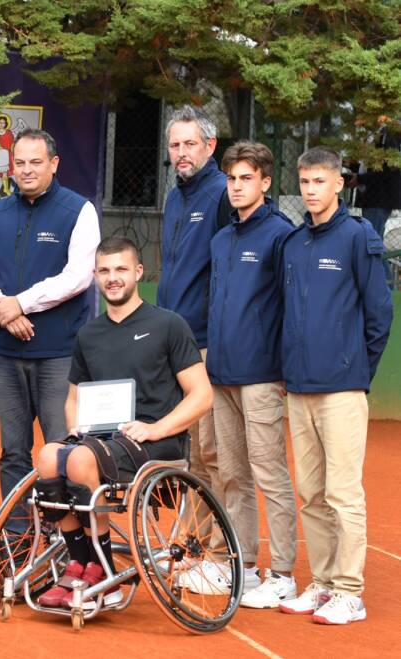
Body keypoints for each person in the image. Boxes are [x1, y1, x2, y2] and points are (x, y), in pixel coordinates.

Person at [35, 236, 212, 609]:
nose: (112, 277)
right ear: (95, 276)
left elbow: (202, 395)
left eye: (120, 269)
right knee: (49, 455)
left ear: (138, 273)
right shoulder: (89, 333)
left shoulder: (169, 325)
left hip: (155, 442)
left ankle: (103, 573)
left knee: (81, 460)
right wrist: (73, 430)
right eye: (104, 271)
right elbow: (74, 398)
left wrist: (155, 428)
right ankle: (79, 562)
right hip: (99, 441)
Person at [277, 147, 392, 625]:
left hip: (342, 389)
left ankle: (350, 591)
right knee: (310, 493)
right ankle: (323, 585)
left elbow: (379, 313)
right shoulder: (294, 242)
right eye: (304, 182)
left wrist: (355, 371)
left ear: (338, 184)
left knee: (343, 493)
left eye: (319, 181)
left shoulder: (357, 237)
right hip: (298, 388)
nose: (310, 190)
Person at [0, 128, 99, 519]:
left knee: (62, 451)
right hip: (8, 355)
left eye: (36, 162)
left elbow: (79, 275)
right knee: (13, 452)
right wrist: (5, 313)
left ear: (54, 164)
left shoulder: (79, 211)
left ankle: (65, 540)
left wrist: (20, 303)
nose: (27, 170)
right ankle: (18, 536)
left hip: (59, 357)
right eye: (20, 163)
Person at [202, 141, 298, 607]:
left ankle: (283, 574)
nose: (237, 186)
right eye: (231, 178)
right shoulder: (222, 239)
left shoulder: (281, 234)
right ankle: (246, 567)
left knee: (270, 473)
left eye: (246, 178)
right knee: (232, 476)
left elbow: (292, 307)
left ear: (264, 181)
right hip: (220, 376)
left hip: (261, 376)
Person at [157, 105, 230, 567]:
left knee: (210, 455)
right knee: (188, 456)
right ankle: (191, 546)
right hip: (175, 343)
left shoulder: (223, 193)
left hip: (206, 344)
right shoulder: (174, 196)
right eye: (175, 145)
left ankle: (217, 556)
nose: (182, 153)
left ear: (210, 146)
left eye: (190, 144)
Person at [352, 120, 401, 239]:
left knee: (371, 238)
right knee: (373, 236)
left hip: (378, 197)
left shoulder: (386, 135)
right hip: (376, 197)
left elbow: (386, 171)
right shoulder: (378, 134)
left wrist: (360, 178)